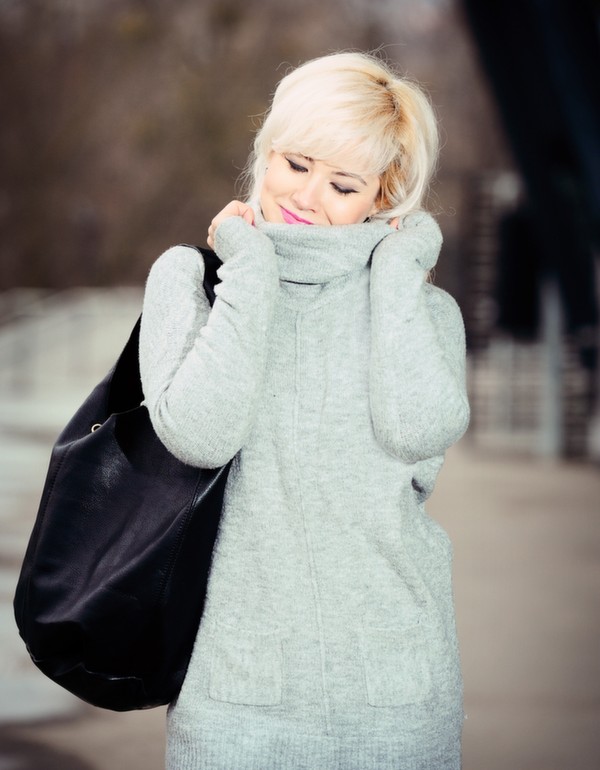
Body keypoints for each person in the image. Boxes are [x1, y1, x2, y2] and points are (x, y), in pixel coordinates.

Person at [139, 50, 470, 770]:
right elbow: (200, 436)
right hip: (234, 699)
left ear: (381, 197)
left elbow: (420, 431)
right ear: (267, 152)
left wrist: (397, 275)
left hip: (400, 695)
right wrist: (250, 270)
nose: (308, 196)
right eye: (296, 164)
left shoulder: (425, 313)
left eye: (344, 184)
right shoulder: (191, 283)